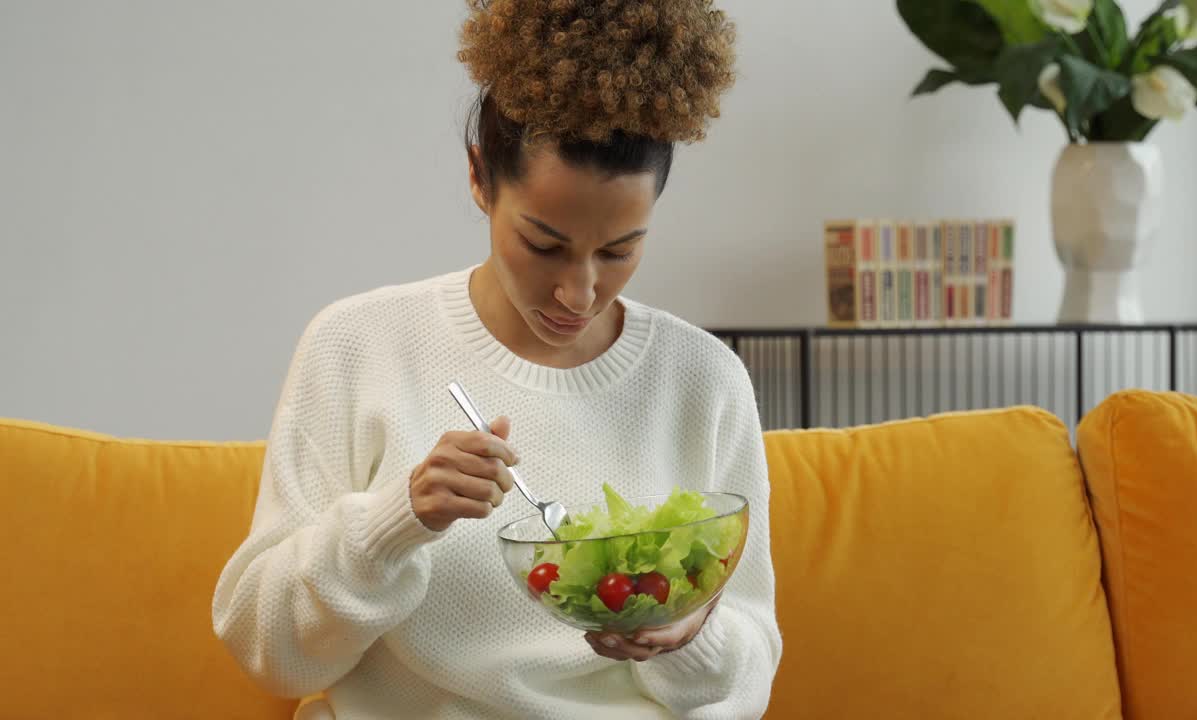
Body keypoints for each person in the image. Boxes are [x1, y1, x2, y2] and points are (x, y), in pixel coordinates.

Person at [211, 1, 782, 717]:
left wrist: (687, 638)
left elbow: (750, 680)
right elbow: (269, 655)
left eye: (619, 250)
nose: (579, 292)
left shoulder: (702, 379)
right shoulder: (359, 344)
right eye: (544, 244)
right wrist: (395, 522)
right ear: (480, 177)